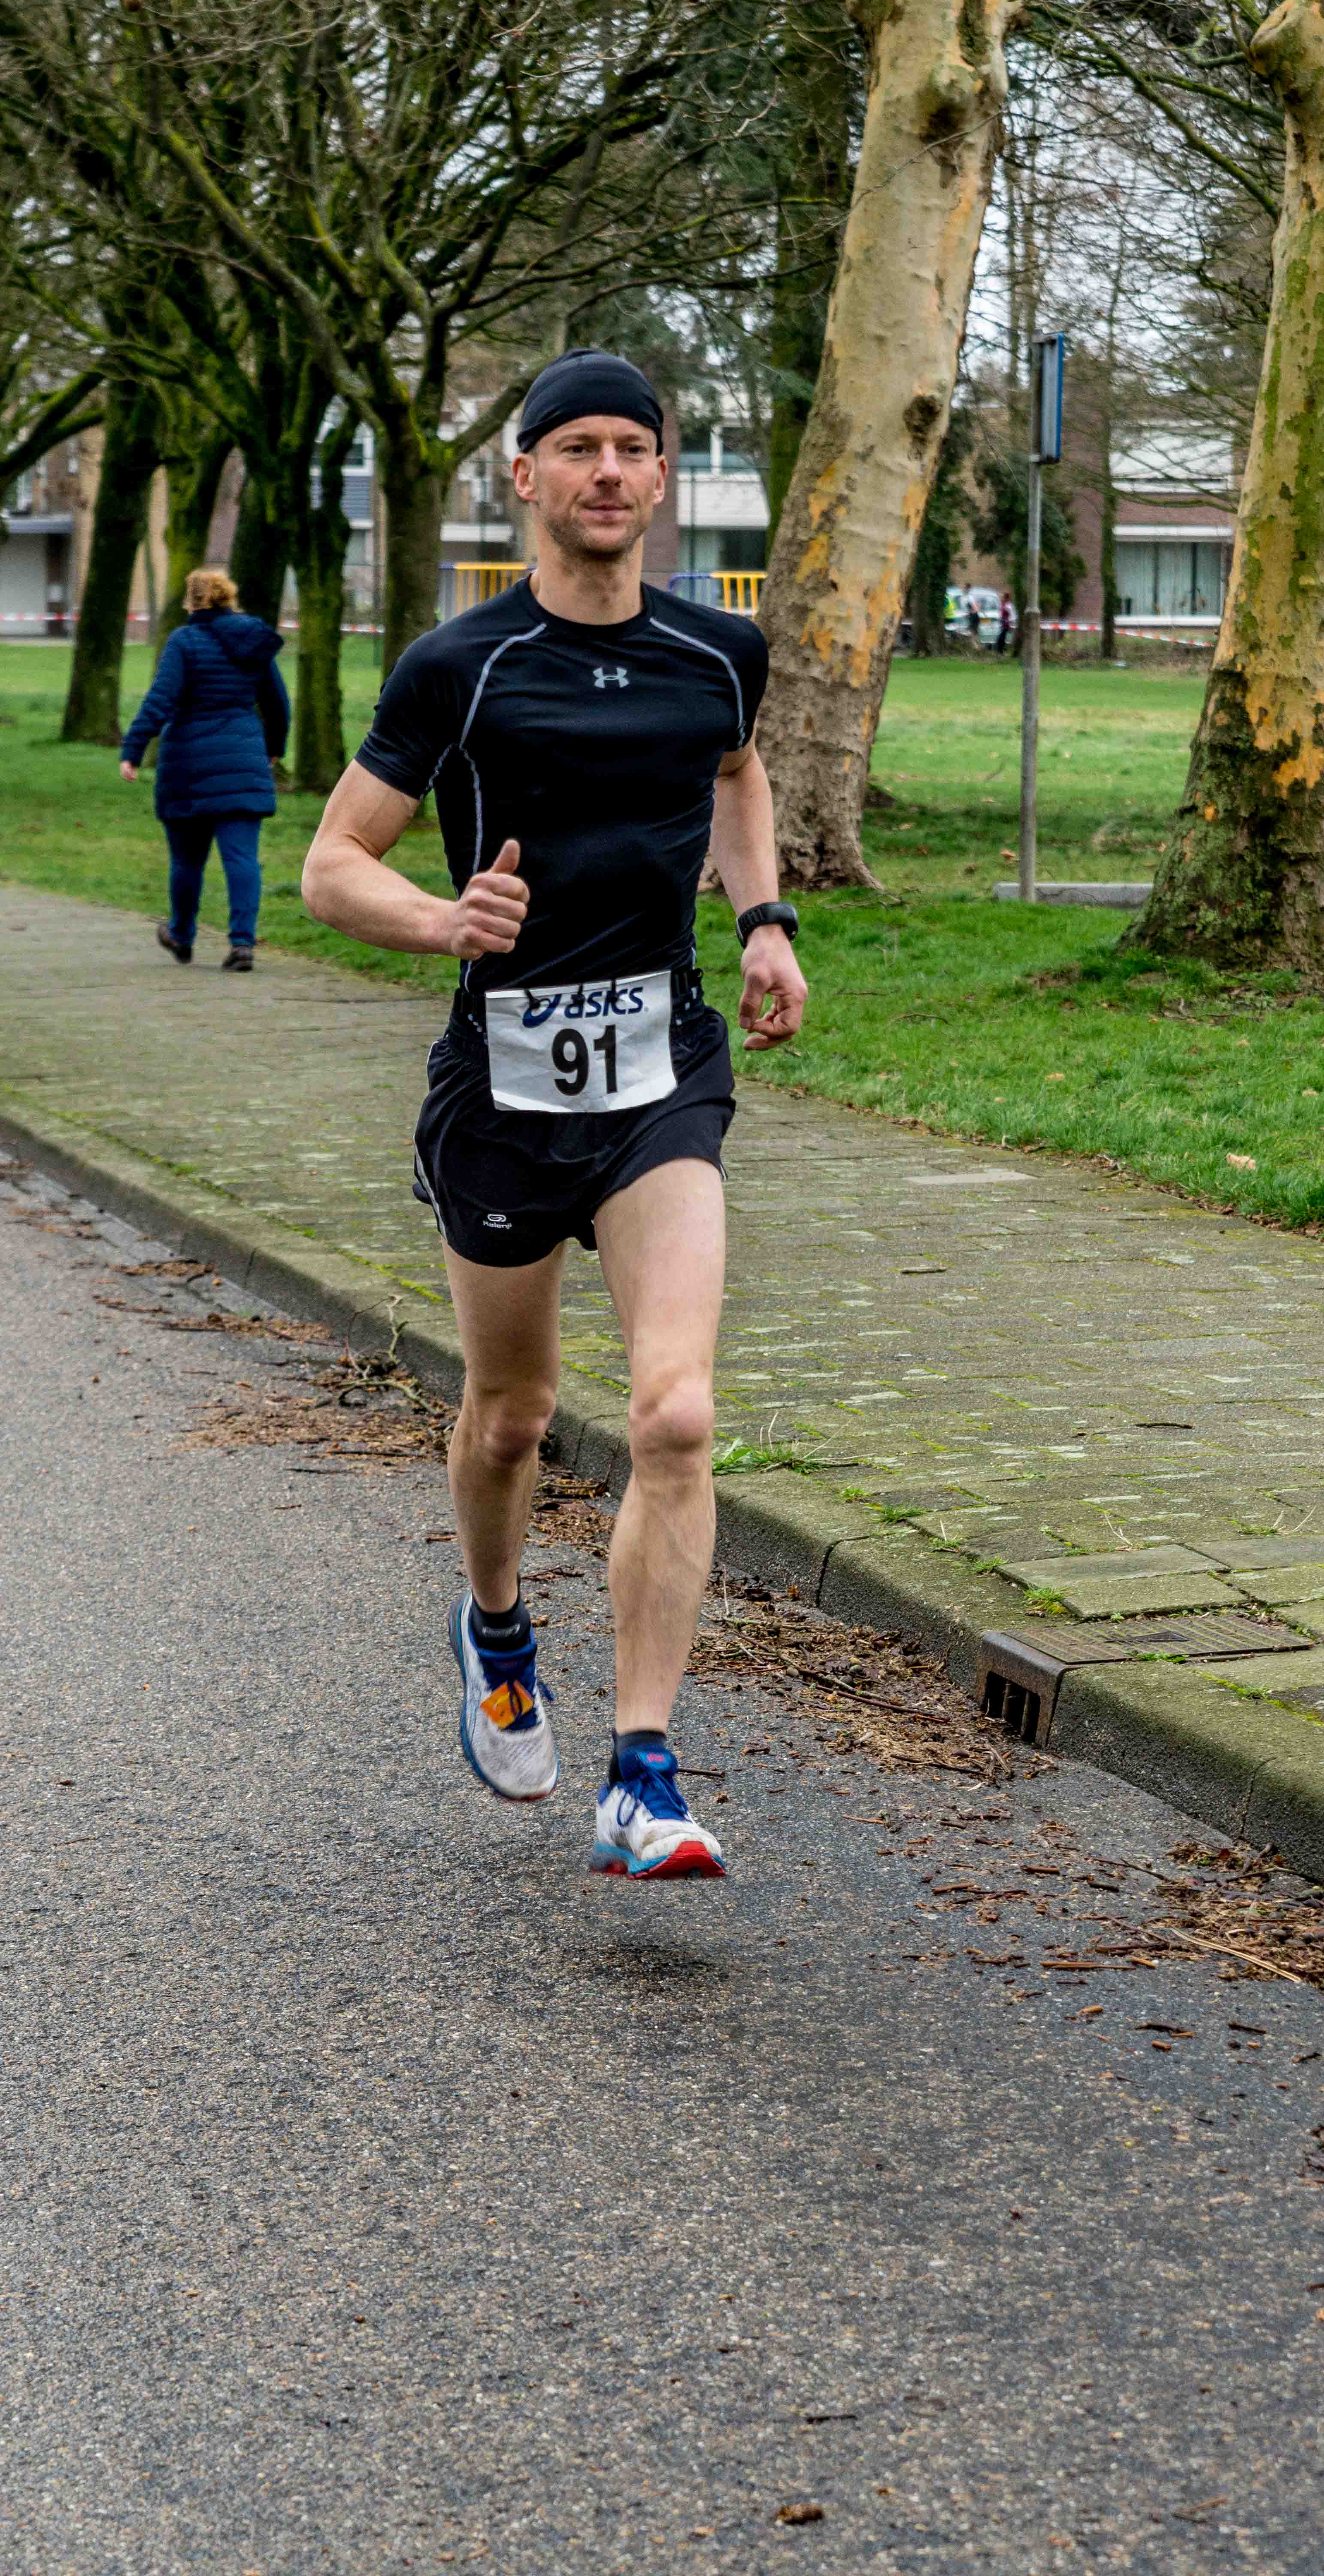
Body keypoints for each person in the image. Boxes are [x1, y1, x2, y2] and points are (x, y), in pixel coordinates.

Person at [301, 348, 807, 1880]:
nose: (606, 470)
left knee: (676, 1412)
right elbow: (332, 864)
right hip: (505, 1090)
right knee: (511, 1414)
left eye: (631, 448)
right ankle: (498, 1623)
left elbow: (735, 773)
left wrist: (764, 920)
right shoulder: (460, 666)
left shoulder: (720, 651)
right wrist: (441, 920)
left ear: (661, 478)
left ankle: (642, 1771)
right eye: (575, 446)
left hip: (661, 1074)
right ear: (522, 475)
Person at [120, 567, 289, 972]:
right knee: (242, 857)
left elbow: (161, 698)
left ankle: (181, 934)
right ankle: (242, 943)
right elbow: (278, 703)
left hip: (188, 765)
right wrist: (273, 748)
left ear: (191, 602)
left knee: (187, 861)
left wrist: (134, 748)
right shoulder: (254, 639)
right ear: (229, 597)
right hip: (243, 759)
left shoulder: (185, 641)